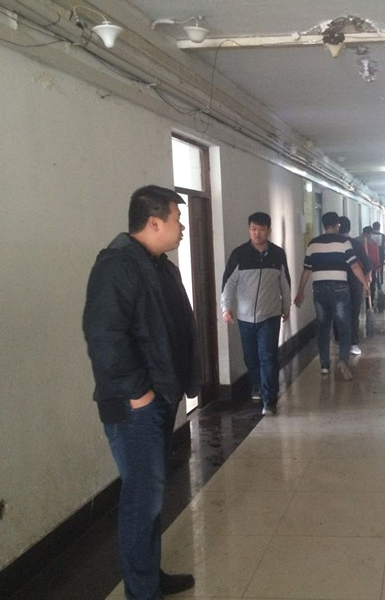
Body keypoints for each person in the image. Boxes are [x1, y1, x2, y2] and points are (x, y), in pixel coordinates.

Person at [83, 185, 199, 600]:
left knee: (151, 496)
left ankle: (150, 577)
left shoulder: (158, 265)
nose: (182, 228)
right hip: (134, 407)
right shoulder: (117, 265)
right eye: (177, 219)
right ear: (154, 222)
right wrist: (139, 393)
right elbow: (104, 336)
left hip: (159, 398)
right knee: (140, 500)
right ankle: (141, 592)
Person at [220, 212, 291, 416]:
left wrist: (286, 307)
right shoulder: (239, 254)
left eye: (261, 229)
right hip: (244, 317)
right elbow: (229, 283)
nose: (256, 233)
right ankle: (257, 386)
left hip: (270, 315)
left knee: (268, 355)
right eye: (253, 229)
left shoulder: (277, 254)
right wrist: (226, 307)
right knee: (251, 357)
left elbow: (285, 283)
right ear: (249, 229)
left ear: (269, 230)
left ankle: (270, 400)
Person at [294, 212, 370, 380]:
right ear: (337, 225)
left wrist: (300, 292)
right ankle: (343, 360)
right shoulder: (344, 242)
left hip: (319, 289)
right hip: (339, 288)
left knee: (323, 327)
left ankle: (324, 365)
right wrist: (365, 284)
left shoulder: (313, 244)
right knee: (344, 327)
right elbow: (355, 266)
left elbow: (306, 270)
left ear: (323, 225)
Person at [338, 216, 372, 356]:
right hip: (354, 282)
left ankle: (339, 339)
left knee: (338, 312)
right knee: (353, 313)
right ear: (350, 228)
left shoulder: (332, 244)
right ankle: (353, 343)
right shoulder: (356, 244)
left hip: (336, 282)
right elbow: (367, 264)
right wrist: (366, 280)